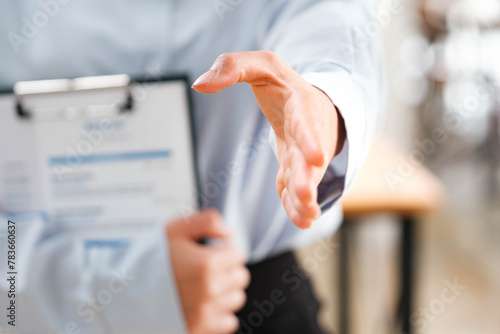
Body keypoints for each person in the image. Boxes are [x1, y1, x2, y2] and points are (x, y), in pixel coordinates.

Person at [0, 0, 383, 333]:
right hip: (33, 301)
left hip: (254, 298)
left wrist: (323, 97)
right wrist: (116, 296)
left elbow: (331, 22)